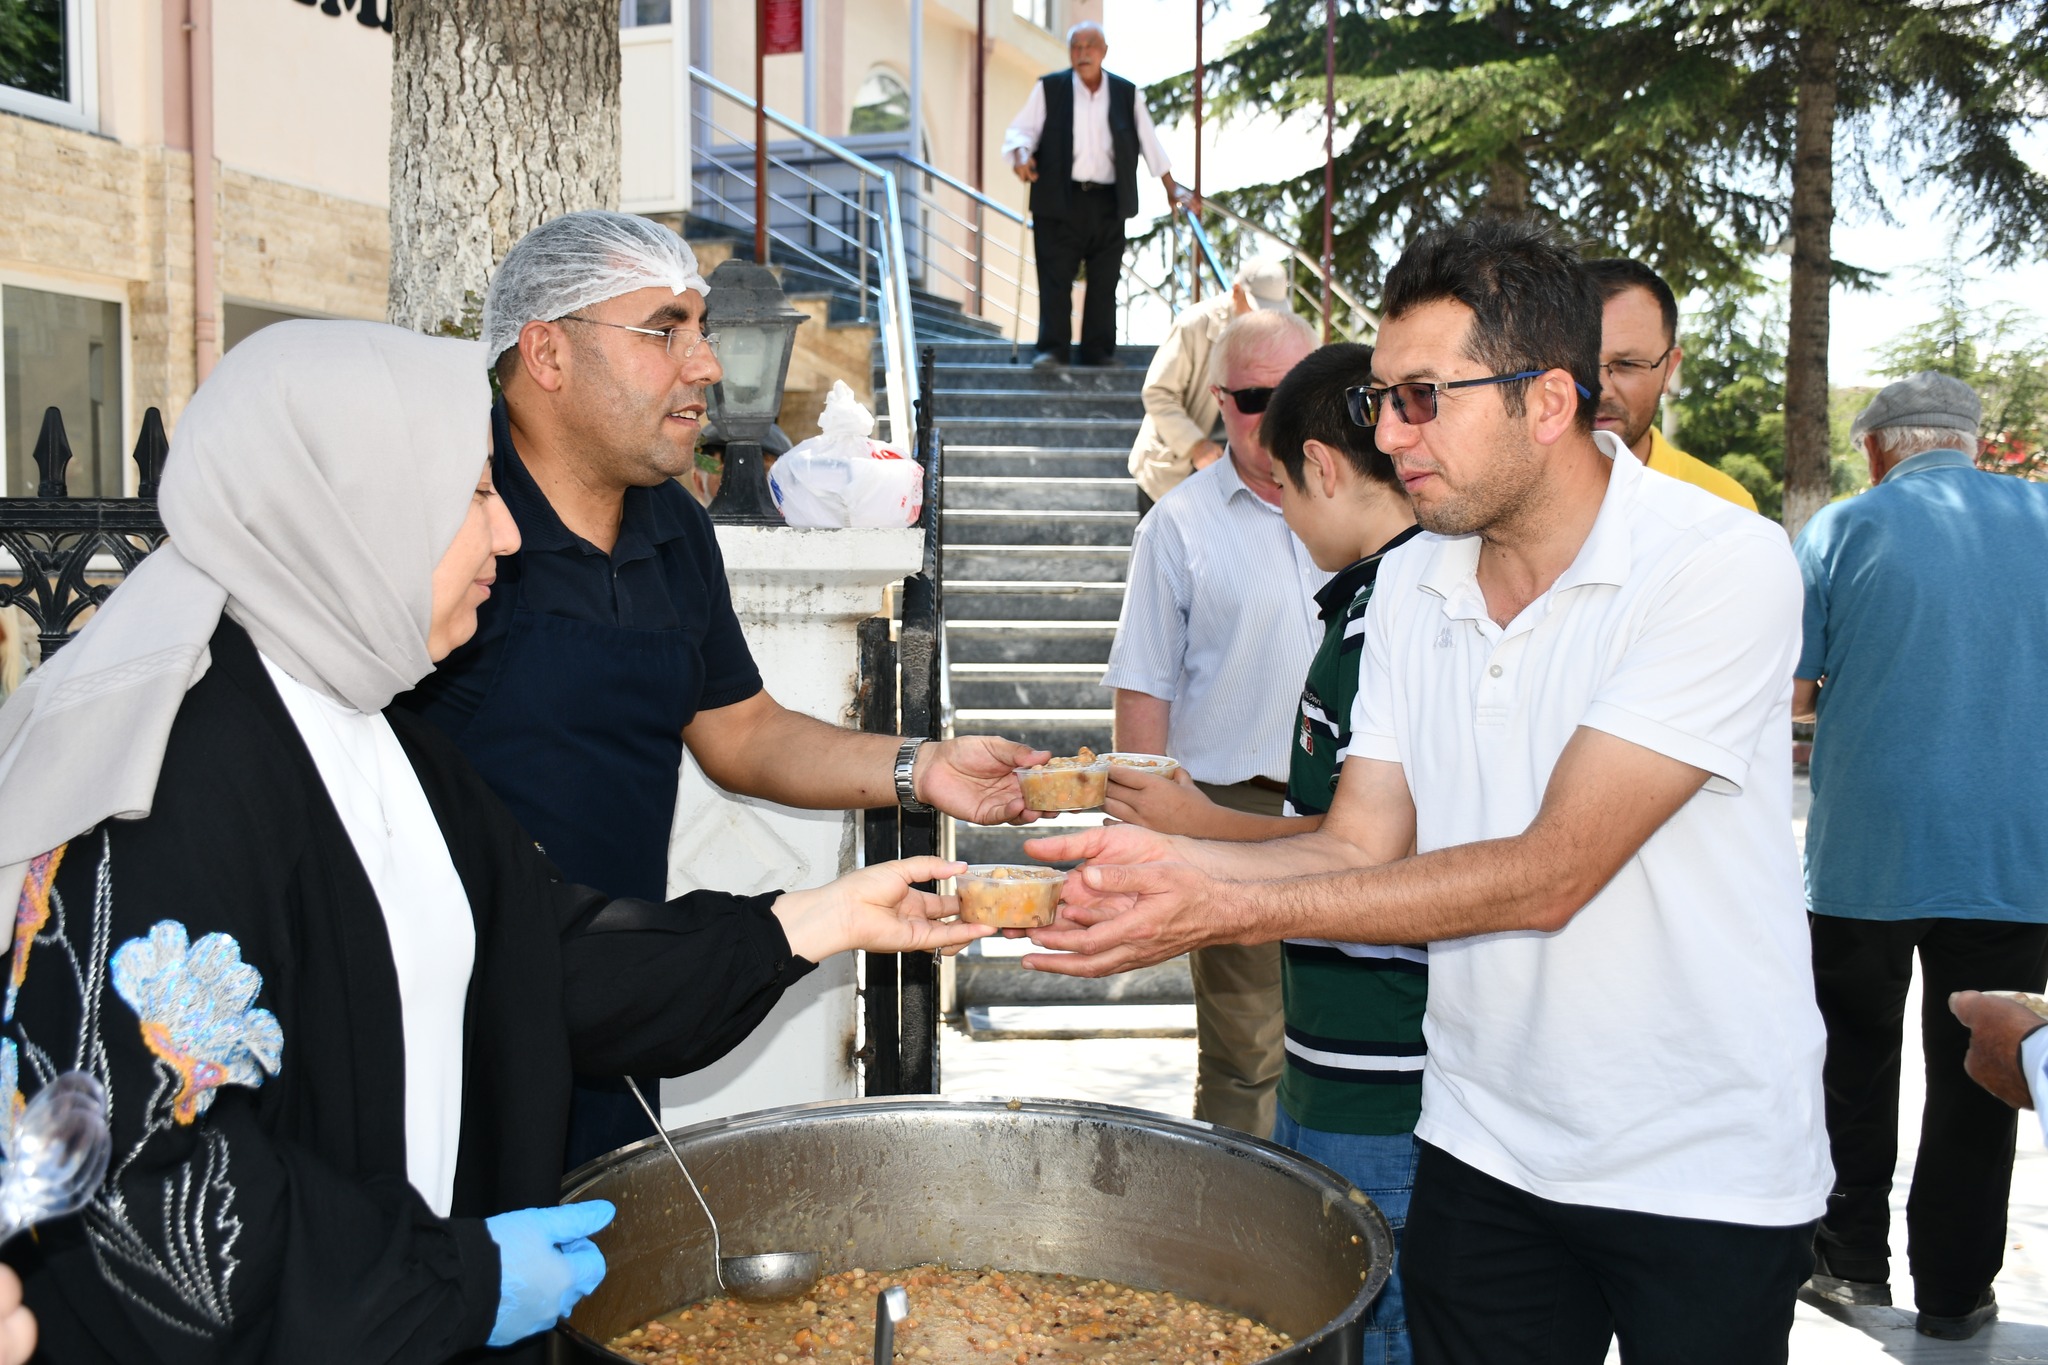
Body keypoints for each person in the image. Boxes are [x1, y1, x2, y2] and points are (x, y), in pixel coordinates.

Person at [0, 321, 988, 1364]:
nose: (507, 536)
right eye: (473, 495)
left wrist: (820, 920)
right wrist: (464, 1282)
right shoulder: (174, 778)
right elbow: (154, 1197)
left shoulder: (381, 730)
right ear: (354, 513)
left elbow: (538, 958)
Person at [1027, 219, 1830, 1364]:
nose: (1388, 434)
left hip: (1698, 1160)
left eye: (1419, 398)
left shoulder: (1716, 561)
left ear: (1545, 402)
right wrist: (1157, 872)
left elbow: (1551, 874)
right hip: (1482, 1141)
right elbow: (1356, 846)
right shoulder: (1409, 581)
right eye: (1378, 403)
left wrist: (1227, 901)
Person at [399, 211, 1044, 1169]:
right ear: (546, 352)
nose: (704, 365)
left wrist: (921, 767)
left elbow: (739, 729)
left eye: (701, 332)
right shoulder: (438, 514)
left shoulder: (673, 526)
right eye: (667, 331)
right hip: (444, 1030)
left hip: (621, 1000)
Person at [1109, 342, 1423, 1364]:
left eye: (1285, 489)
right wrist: (1187, 837)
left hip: (1386, 1068)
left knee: (1367, 1313)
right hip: (1338, 1053)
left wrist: (1199, 861)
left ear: (1323, 470)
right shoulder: (1372, 602)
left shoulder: (1404, 616)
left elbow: (1367, 854)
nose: (1281, 514)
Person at [1789, 371, 2048, 1341]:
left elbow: (1793, 689)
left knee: (1851, 1061)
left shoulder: (1843, 529)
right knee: (1980, 1068)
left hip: (1868, 850)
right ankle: (1954, 1295)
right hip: (2015, 855)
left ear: (1876, 447)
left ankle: (1848, 1266)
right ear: (1973, 443)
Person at [1097, 307, 1323, 1138]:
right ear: (1222, 401)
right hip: (1231, 813)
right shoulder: (1176, 526)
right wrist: (1142, 846)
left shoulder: (1385, 509)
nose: (1286, 411)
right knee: (1246, 1057)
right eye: (1264, 395)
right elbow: (1143, 691)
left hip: (1369, 807)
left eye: (1302, 387)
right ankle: (1243, 1256)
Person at [1002, 21, 1178, 370]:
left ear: (1104, 51)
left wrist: (1173, 188)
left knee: (1104, 281)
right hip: (1058, 198)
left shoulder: (1126, 93)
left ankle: (1098, 353)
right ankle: (1052, 350)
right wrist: (1022, 154)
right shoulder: (1049, 88)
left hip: (1108, 201)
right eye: (1076, 47)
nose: (1082, 53)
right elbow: (1020, 131)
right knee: (1054, 277)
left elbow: (1150, 142)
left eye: (1089, 46)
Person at [1581, 258, 1757, 511]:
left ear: (1669, 370)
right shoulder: (1509, 499)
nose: (1601, 390)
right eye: (1580, 364)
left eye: (1628, 364)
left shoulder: (1725, 508)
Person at [1128, 257, 1294, 513]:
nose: (1264, 318)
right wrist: (1195, 445)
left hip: (1229, 475)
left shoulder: (1272, 334)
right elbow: (1158, 392)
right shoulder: (1193, 323)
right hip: (1171, 468)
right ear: (1236, 292)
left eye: (1272, 311)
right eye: (1257, 307)